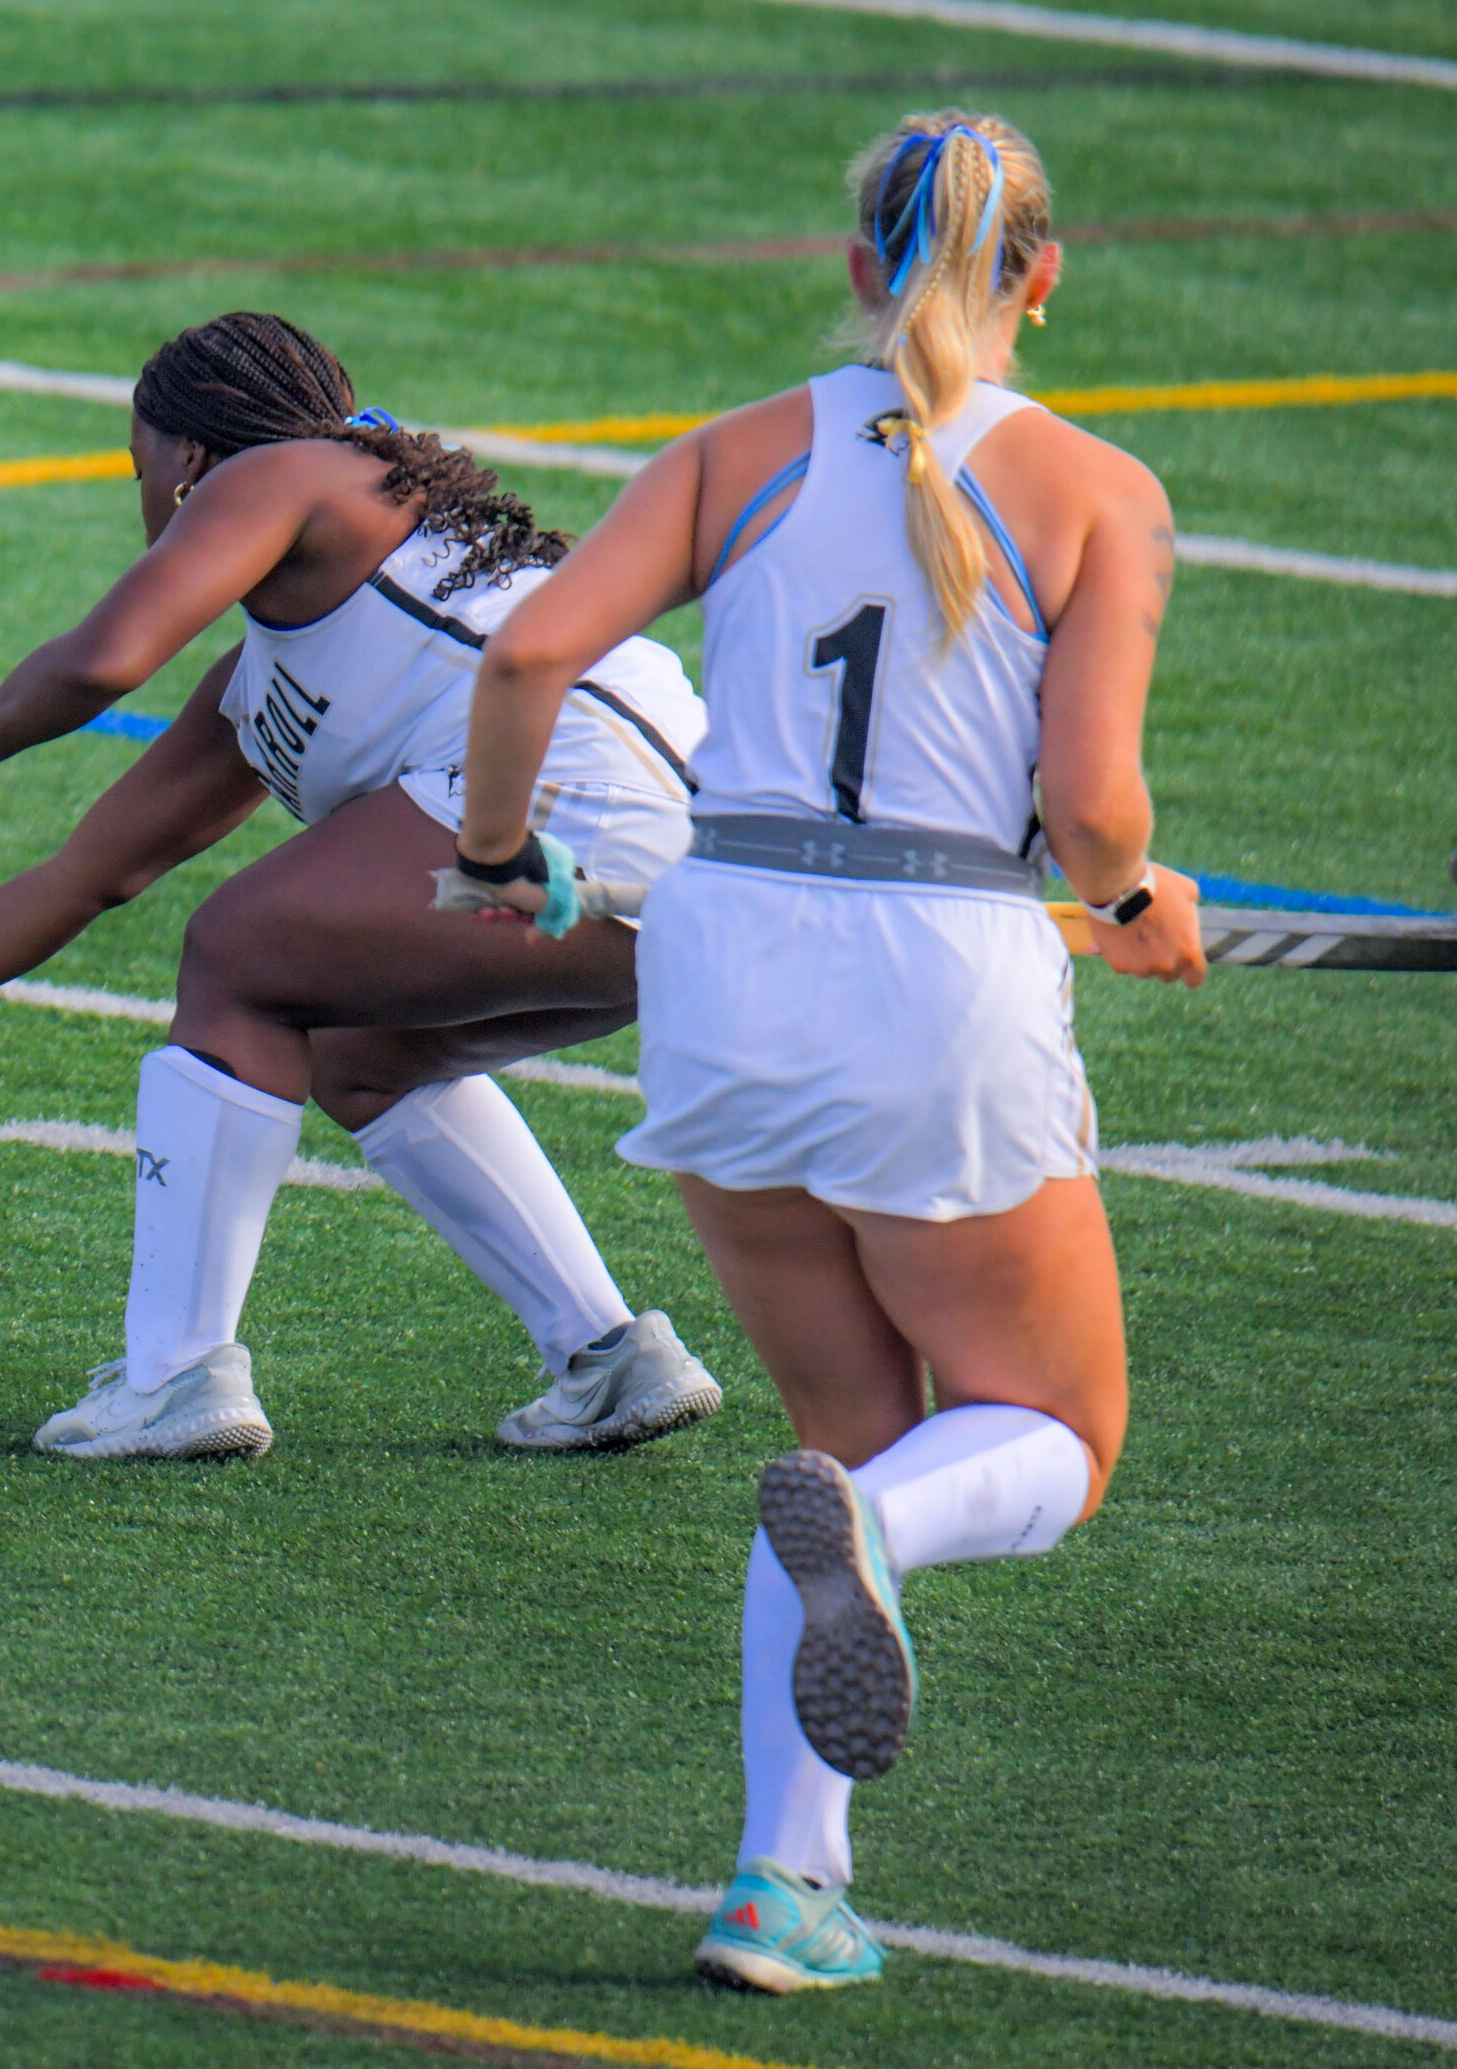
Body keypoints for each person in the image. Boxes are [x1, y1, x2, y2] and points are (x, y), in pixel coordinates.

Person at [452, 113, 1205, 1991]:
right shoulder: (1097, 490)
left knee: (834, 1437)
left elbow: (529, 655)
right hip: (934, 973)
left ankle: (787, 1886)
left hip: (727, 959)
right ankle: (876, 1536)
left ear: (861, 265)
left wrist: (486, 854)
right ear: (1043, 274)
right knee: (1050, 1438)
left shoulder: (736, 455)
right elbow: (1090, 805)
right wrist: (1126, 899)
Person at [0, 311, 721, 1462]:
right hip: (683, 886)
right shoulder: (272, 668)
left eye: (140, 470)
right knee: (358, 1051)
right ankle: (608, 1355)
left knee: (235, 953)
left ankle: (175, 1374)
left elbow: (102, 657)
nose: (147, 503)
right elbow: (89, 873)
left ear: (188, 462)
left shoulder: (287, 468)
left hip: (579, 811)